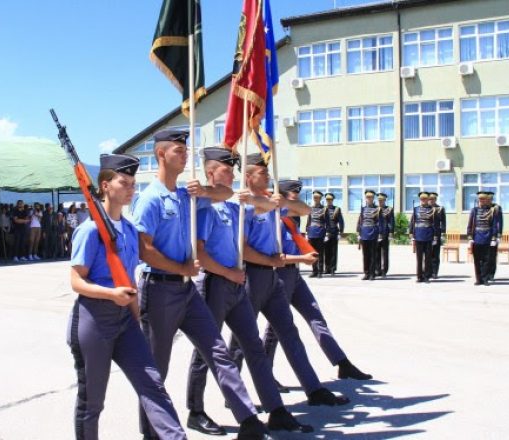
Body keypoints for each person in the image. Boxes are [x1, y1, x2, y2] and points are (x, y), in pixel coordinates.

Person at [132, 129, 270, 439]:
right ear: (161, 155)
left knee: (217, 350)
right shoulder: (150, 198)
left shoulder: (187, 195)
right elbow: (145, 249)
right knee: (156, 370)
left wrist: (204, 192)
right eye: (178, 150)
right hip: (159, 290)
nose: (184, 154)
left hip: (186, 290)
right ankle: (151, 434)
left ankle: (248, 420)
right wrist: (180, 266)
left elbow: (224, 194)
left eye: (185, 150)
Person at [185, 149, 313, 436]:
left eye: (234, 171)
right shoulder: (205, 208)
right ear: (211, 174)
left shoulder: (234, 207)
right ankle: (196, 409)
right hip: (215, 283)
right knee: (208, 350)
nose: (233, 176)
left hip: (236, 284)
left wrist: (267, 200)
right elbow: (200, 254)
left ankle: (276, 410)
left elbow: (275, 207)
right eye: (227, 171)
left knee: (252, 346)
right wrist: (229, 273)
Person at [67, 154, 187, 439]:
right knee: (92, 402)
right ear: (105, 186)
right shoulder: (90, 231)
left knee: (153, 386)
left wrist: (134, 317)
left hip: (126, 321)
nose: (131, 189)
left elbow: (130, 279)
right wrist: (111, 293)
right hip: (94, 320)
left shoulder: (131, 230)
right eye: (124, 182)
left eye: (134, 184)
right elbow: (75, 280)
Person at [230, 153, 350, 408]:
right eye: (263, 174)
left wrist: (280, 200)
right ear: (249, 176)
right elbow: (242, 249)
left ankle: (314, 389)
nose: (269, 177)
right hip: (251, 276)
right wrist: (273, 261)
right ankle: (234, 396)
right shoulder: (242, 207)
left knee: (289, 333)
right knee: (241, 340)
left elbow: (306, 210)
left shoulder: (273, 202)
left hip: (272, 277)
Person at [265, 180, 371, 383]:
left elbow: (304, 216)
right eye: (292, 195)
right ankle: (266, 373)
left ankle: (342, 363)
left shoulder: (291, 218)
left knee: (316, 316)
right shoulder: (274, 218)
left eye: (298, 195)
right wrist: (300, 259)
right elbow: (272, 255)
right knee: (275, 329)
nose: (297, 198)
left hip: (294, 275)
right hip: (280, 274)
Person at [467, 191, 498, 286]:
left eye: (484, 200)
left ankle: (485, 279)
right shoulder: (474, 210)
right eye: (480, 200)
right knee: (477, 260)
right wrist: (469, 237)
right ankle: (478, 279)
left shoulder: (492, 210)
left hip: (487, 237)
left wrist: (494, 238)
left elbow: (494, 225)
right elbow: (470, 224)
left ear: (486, 200)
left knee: (486, 260)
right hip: (476, 237)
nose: (482, 202)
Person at [409, 192, 437, 283]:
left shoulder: (432, 210)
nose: (423, 201)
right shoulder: (416, 209)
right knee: (419, 258)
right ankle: (419, 276)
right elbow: (412, 223)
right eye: (422, 199)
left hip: (428, 236)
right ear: (420, 200)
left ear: (428, 199)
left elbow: (435, 224)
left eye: (425, 199)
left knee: (428, 258)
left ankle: (426, 276)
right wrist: (411, 235)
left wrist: (435, 236)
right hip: (418, 235)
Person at [357, 190, 382, 280]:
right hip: (364, 233)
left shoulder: (377, 209)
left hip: (373, 233)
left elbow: (380, 222)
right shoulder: (363, 209)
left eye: (370, 197)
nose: (369, 199)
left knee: (373, 255)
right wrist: (359, 233)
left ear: (373, 198)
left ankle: (372, 274)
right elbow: (360, 221)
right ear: (365, 198)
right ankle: (366, 273)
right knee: (365, 255)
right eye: (367, 197)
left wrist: (379, 234)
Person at [305, 190, 327, 278]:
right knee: (312, 253)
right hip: (312, 233)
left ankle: (320, 271)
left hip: (320, 232)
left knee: (320, 253)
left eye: (317, 198)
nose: (316, 199)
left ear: (320, 198)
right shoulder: (310, 208)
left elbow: (327, 222)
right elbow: (309, 220)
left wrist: (327, 234)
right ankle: (314, 271)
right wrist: (307, 231)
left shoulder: (324, 209)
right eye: (314, 197)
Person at [374, 192, 394, 278]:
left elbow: (391, 221)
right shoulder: (374, 209)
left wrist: (391, 233)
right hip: (375, 233)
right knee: (376, 253)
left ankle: (384, 270)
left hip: (385, 233)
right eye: (379, 200)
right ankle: (377, 269)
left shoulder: (389, 209)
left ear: (385, 200)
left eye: (382, 200)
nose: (380, 202)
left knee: (385, 253)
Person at [324, 193, 343, 275]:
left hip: (334, 232)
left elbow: (341, 221)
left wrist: (340, 232)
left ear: (332, 200)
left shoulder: (337, 209)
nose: (329, 201)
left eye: (330, 200)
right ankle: (327, 268)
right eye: (327, 200)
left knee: (333, 251)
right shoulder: (323, 209)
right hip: (325, 233)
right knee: (326, 251)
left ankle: (332, 269)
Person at [429, 192, 446, 279]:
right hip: (426, 234)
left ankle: (435, 272)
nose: (431, 201)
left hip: (436, 234)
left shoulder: (440, 209)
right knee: (427, 254)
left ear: (435, 199)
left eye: (433, 199)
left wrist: (443, 234)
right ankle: (428, 272)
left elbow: (443, 222)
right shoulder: (425, 209)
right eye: (430, 199)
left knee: (435, 254)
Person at [489, 192, 504, 280]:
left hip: (493, 235)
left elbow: (500, 222)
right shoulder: (481, 207)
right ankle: (485, 274)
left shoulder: (497, 208)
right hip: (483, 235)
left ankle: (491, 274)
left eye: (490, 199)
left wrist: (499, 235)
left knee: (492, 255)